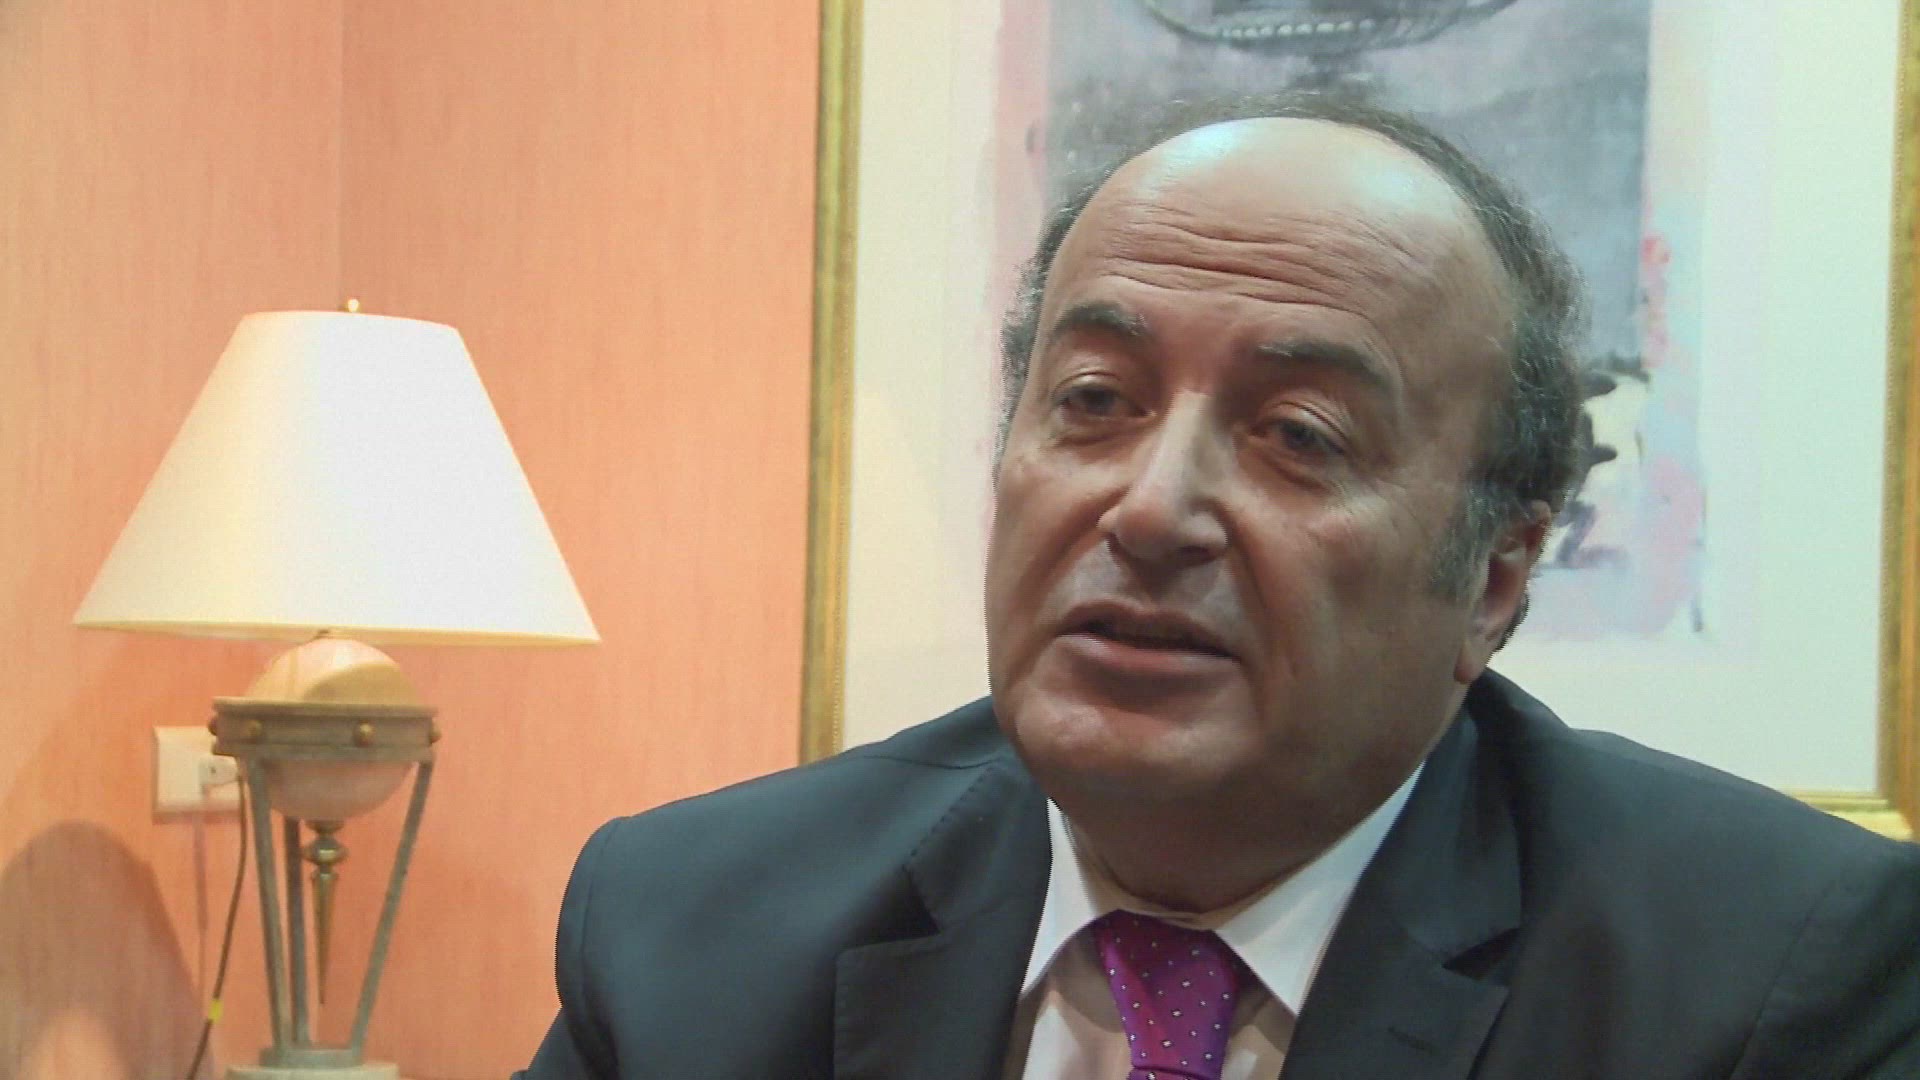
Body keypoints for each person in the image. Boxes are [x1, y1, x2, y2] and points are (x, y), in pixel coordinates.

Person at [516, 95, 1920, 1079]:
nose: (1150, 509)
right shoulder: (690, 927)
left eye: (1298, 436)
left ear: (1494, 579)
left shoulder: (1776, 985)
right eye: (1095, 401)